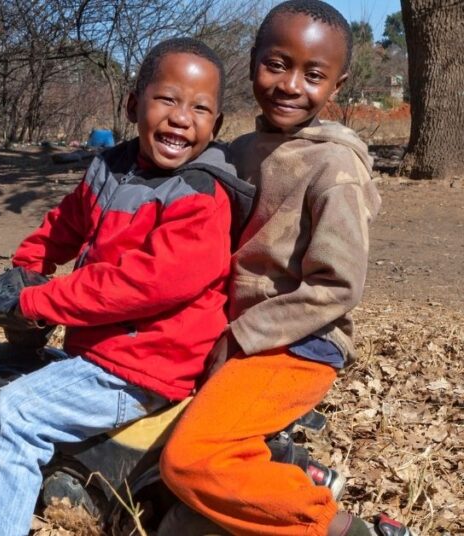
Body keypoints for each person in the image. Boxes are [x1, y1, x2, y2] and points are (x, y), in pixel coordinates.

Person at [0, 38, 252, 535]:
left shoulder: (201, 196)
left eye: (200, 108)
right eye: (167, 99)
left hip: (145, 365)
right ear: (133, 103)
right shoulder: (112, 167)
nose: (182, 117)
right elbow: (65, 223)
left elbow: (139, 285)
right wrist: (29, 266)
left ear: (217, 126)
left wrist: (36, 301)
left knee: (16, 412)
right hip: (106, 350)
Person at [159, 2, 411, 536]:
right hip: (231, 326)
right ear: (253, 63)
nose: (290, 85)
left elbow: (336, 286)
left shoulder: (335, 169)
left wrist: (240, 337)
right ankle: (280, 469)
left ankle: (335, 525)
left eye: (313, 75)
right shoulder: (241, 150)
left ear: (337, 87)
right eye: (277, 64)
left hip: (297, 341)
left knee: (188, 459)